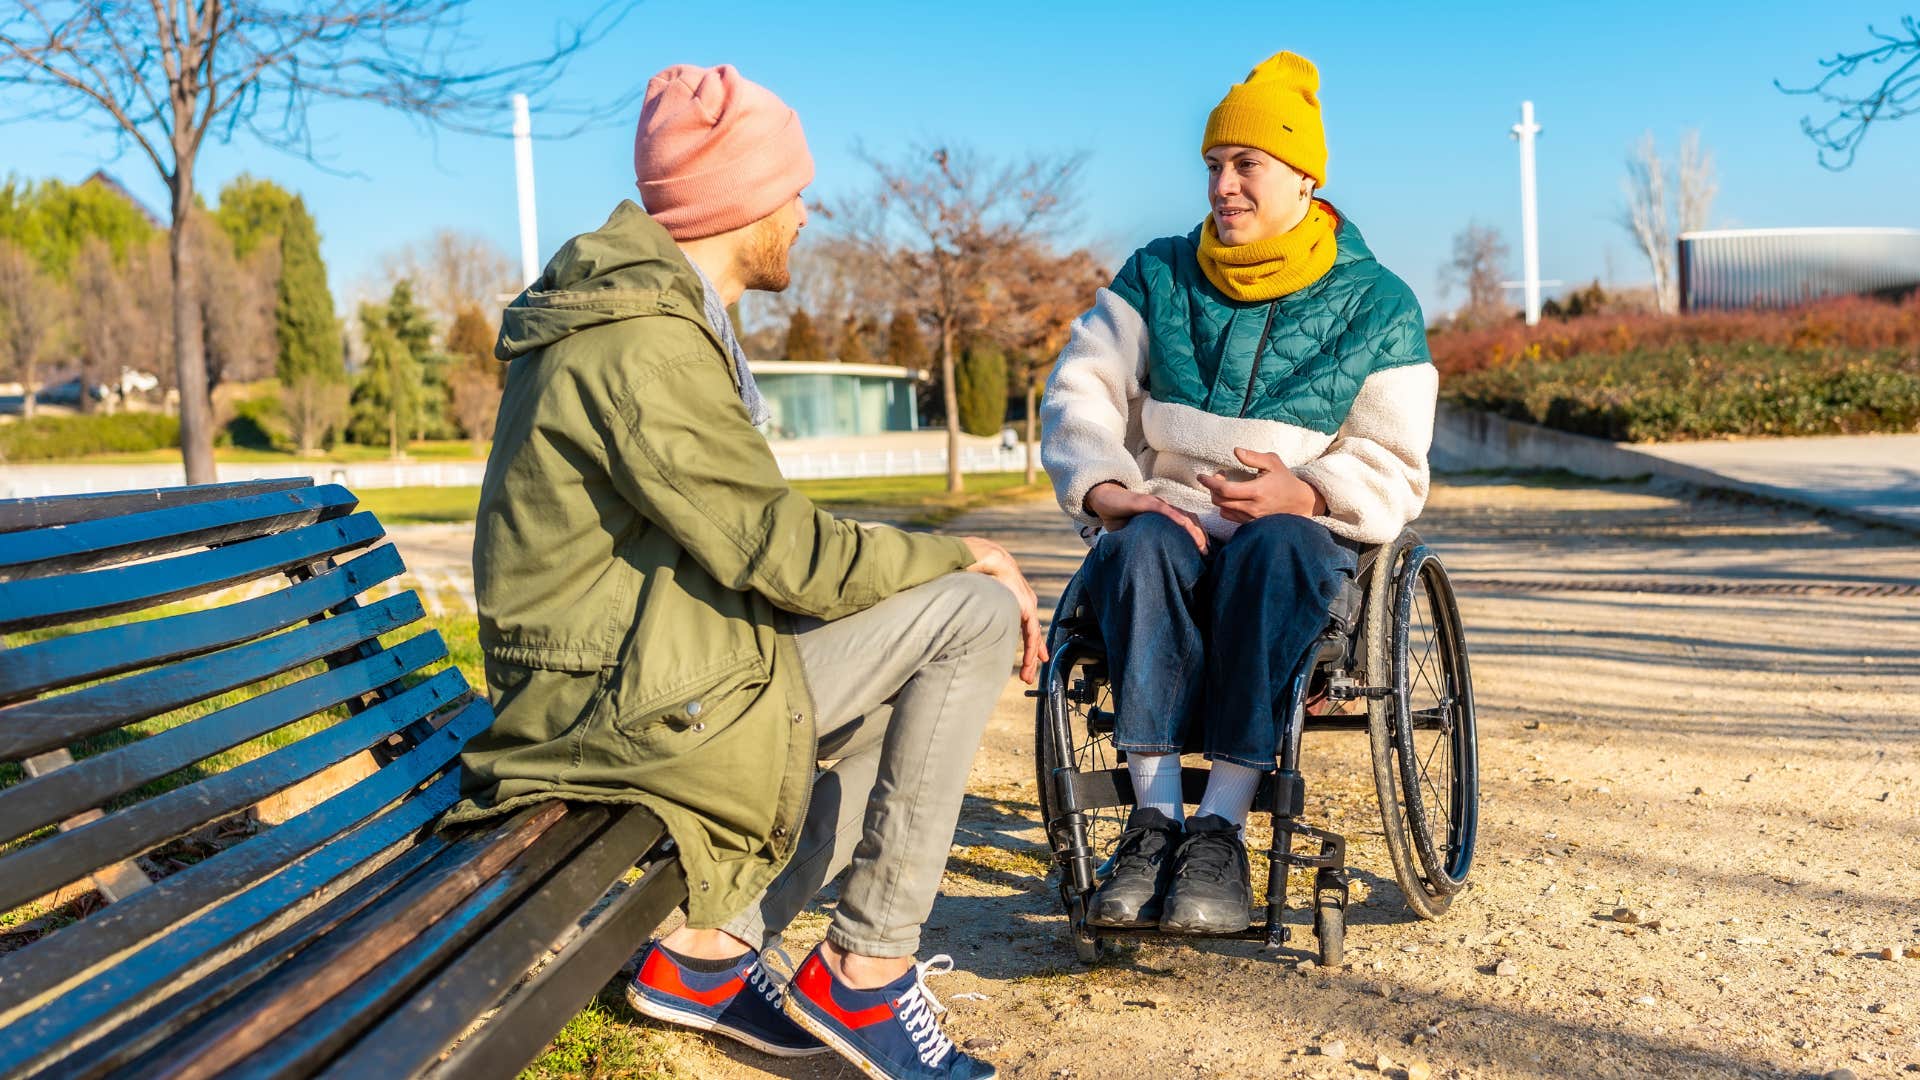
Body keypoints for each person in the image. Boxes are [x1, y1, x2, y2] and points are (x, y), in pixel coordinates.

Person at [444, 63, 1045, 1080]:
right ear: (738, 201)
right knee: (974, 614)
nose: (805, 214)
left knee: (920, 626)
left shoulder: (659, 320)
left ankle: (710, 951)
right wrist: (966, 551)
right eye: (791, 191)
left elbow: (755, 542)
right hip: (614, 709)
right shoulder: (646, 345)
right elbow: (781, 553)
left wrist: (917, 571)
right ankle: (866, 972)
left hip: (635, 669)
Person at [1038, 50, 1437, 935]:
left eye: (1246, 164)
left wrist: (1309, 490)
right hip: (1171, 526)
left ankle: (1219, 826)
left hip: (1295, 540)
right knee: (1138, 543)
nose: (1225, 185)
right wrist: (1107, 487)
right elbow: (1081, 389)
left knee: (1279, 547)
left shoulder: (1378, 304)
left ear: (1302, 176)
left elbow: (1394, 458)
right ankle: (1154, 824)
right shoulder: (1157, 275)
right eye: (1215, 166)